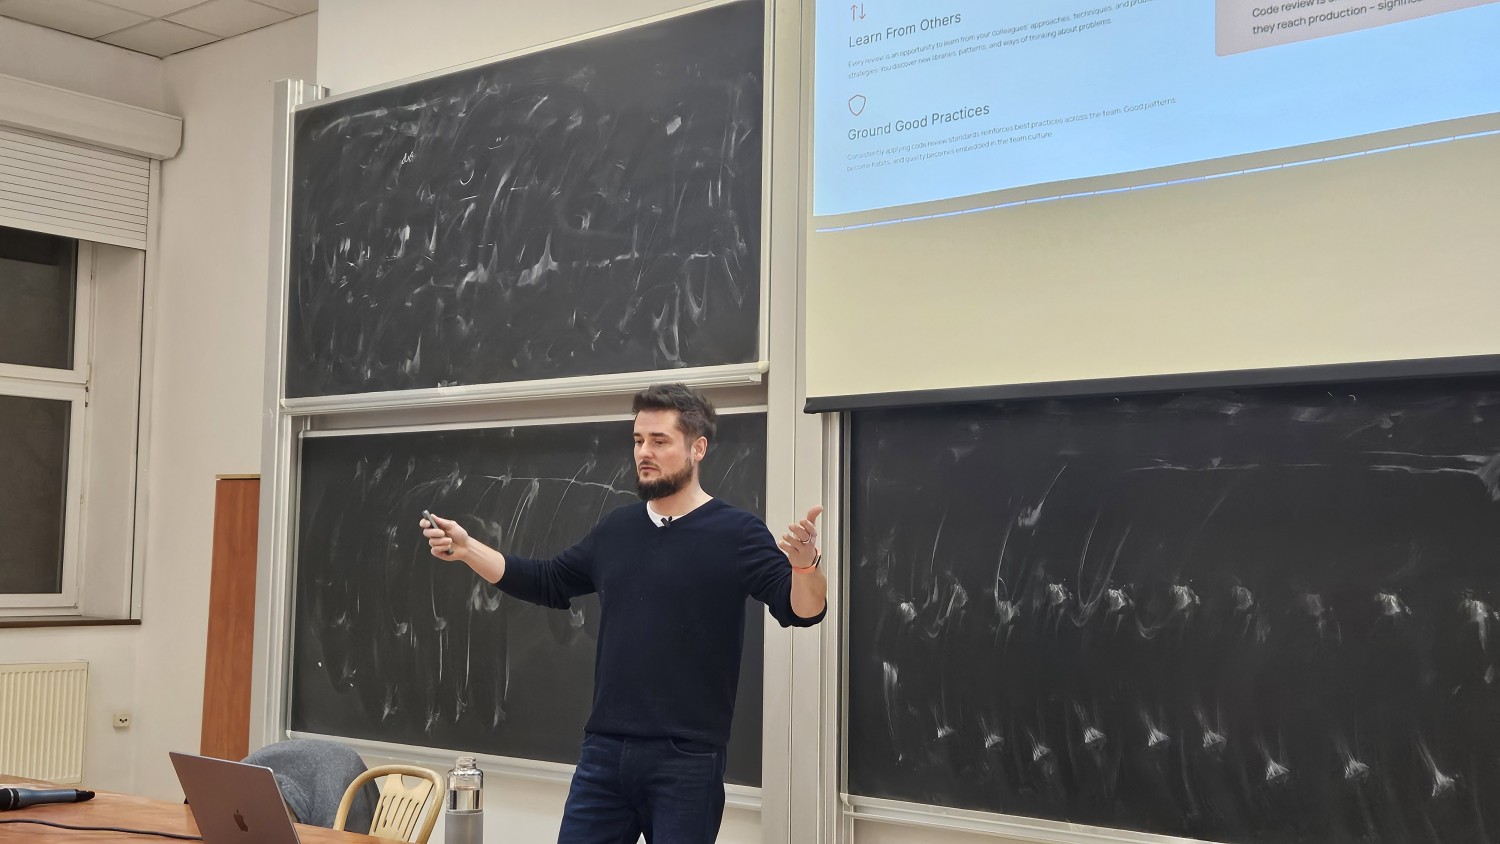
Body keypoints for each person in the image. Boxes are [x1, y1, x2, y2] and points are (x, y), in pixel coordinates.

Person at [421, 383, 826, 843]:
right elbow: (548, 580)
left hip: (686, 761)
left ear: (697, 449)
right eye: (638, 440)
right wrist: (468, 549)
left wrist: (805, 567)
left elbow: (803, 610)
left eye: (659, 441)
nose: (643, 453)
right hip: (605, 752)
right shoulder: (618, 529)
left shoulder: (737, 533)